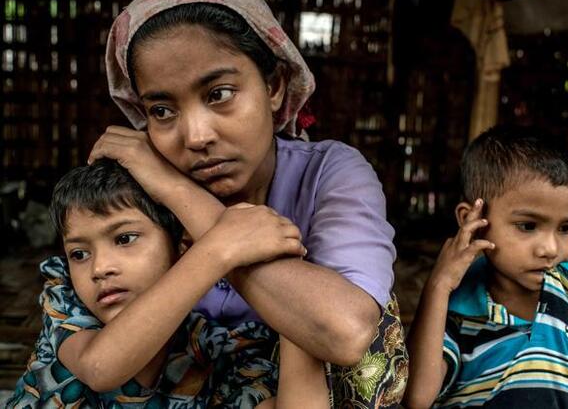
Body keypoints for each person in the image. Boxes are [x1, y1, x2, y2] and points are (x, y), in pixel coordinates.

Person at [75, 0, 405, 406]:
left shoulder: (329, 173)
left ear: (273, 86)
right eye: (161, 110)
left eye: (218, 94)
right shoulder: (133, 194)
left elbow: (344, 334)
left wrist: (181, 194)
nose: (195, 137)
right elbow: (97, 356)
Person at [8, 159, 329, 408]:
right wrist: (219, 249)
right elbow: (100, 367)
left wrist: (292, 290)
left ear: (181, 248)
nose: (99, 268)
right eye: (79, 253)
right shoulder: (67, 299)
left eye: (125, 238)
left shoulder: (211, 348)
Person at [404, 125, 568, 408]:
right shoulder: (457, 315)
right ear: (474, 219)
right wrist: (438, 286)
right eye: (528, 226)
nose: (551, 249)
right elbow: (417, 398)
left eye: (566, 228)